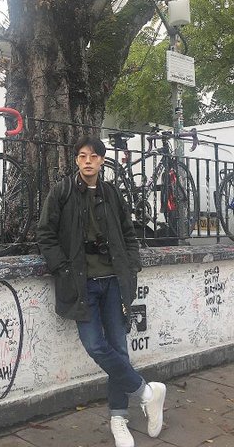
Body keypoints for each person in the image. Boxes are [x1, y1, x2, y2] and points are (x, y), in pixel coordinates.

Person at [37, 136, 166, 447]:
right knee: (95, 345)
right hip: (83, 284)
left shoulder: (111, 193)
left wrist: (131, 265)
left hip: (114, 281)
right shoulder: (62, 192)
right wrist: (62, 269)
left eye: (93, 156)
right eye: (82, 156)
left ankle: (119, 417)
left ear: (102, 161)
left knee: (119, 349)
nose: (88, 161)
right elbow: (45, 234)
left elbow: (128, 232)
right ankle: (147, 393)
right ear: (76, 160)